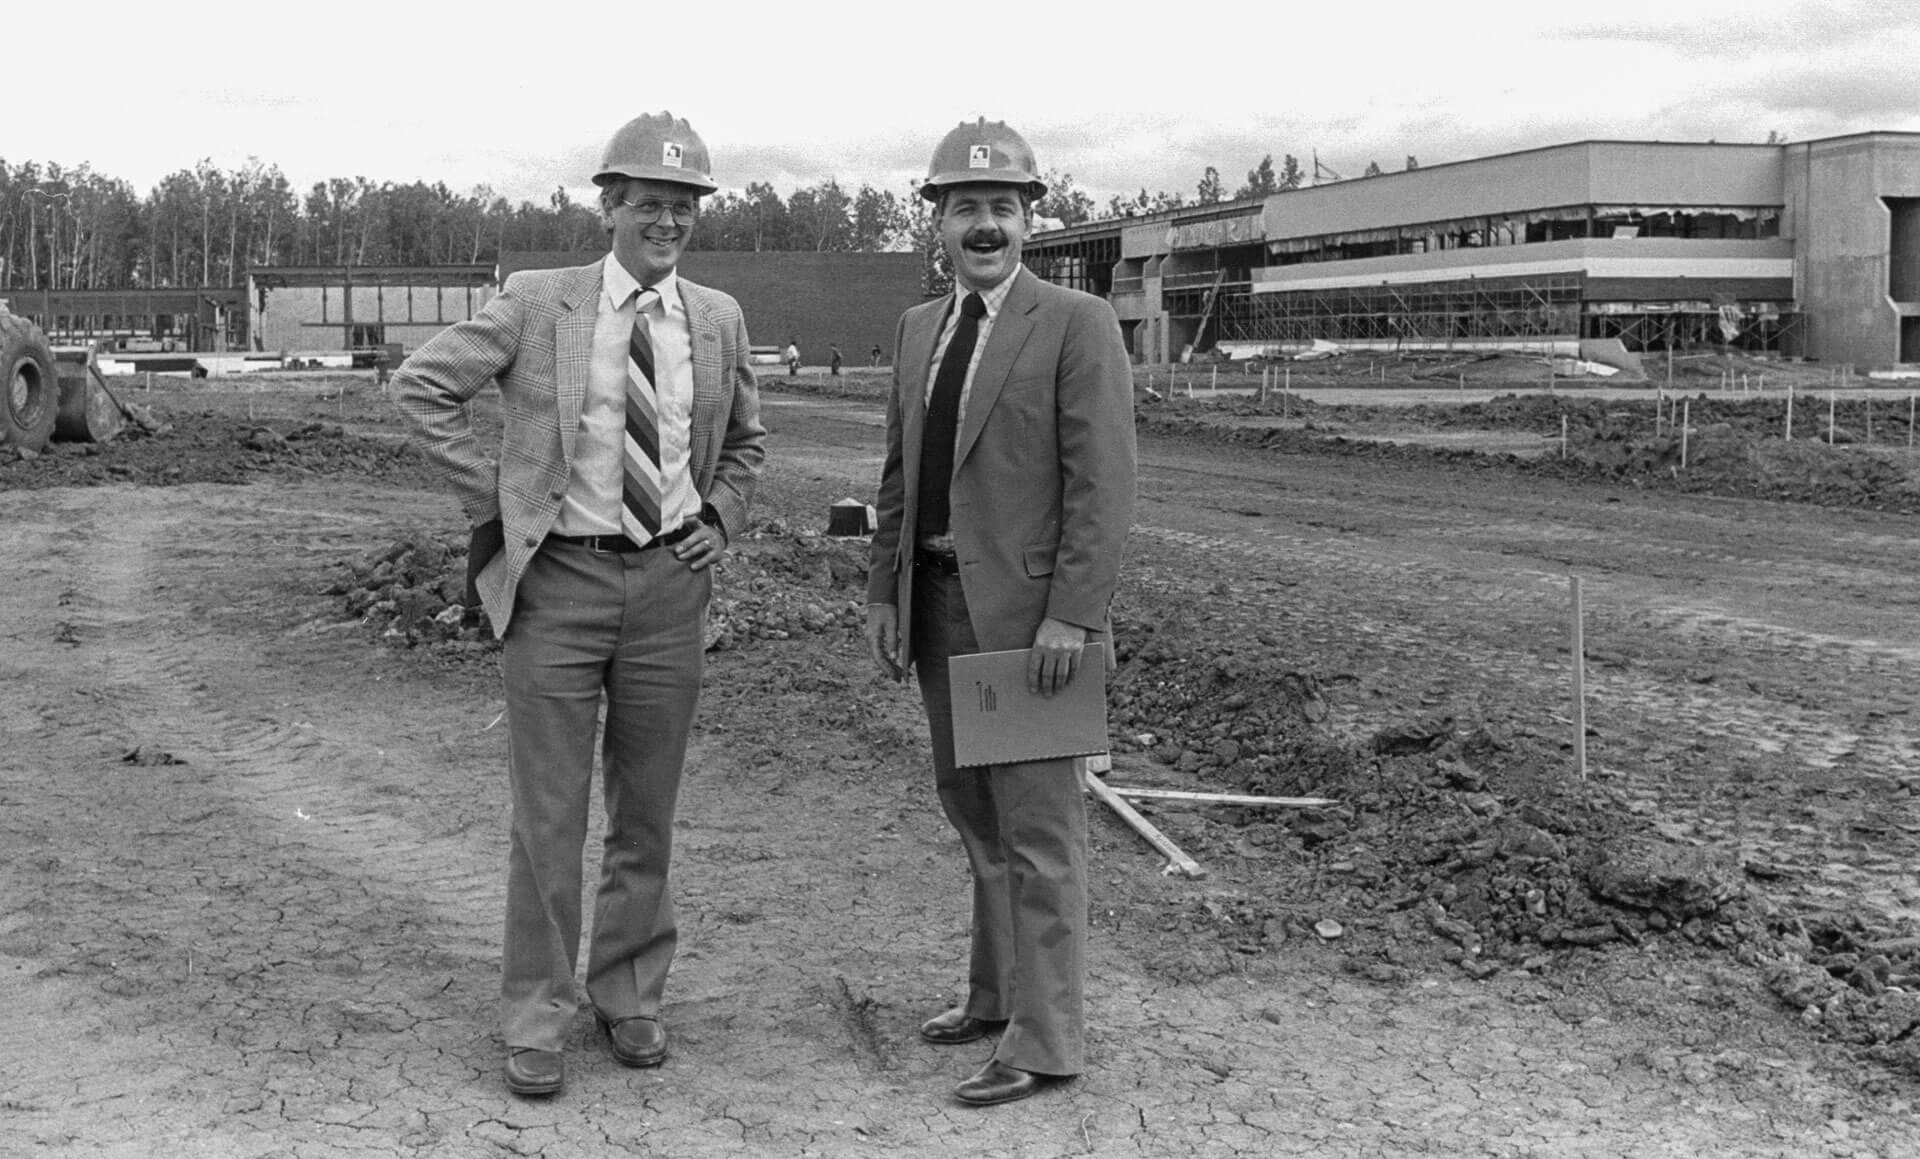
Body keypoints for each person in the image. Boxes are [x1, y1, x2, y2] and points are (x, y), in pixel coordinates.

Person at [391, 111, 765, 1099]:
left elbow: (747, 446)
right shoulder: (536, 302)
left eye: (684, 205)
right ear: (610, 205)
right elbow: (422, 386)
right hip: (557, 584)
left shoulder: (717, 320)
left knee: (647, 811)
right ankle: (536, 1017)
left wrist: (719, 516)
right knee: (549, 816)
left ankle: (631, 995)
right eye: (650, 201)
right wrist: (497, 502)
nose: (668, 219)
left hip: (669, 590)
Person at [863, 118, 1136, 1107]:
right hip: (937, 605)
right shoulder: (915, 331)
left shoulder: (1075, 322)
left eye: (1003, 208)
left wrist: (1073, 612)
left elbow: (1100, 484)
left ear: (1031, 221)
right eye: (965, 207)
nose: (985, 225)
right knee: (974, 812)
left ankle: (1048, 1040)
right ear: (936, 223)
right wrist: (886, 594)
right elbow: (901, 475)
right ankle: (994, 997)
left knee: (1038, 832)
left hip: (1028, 625)